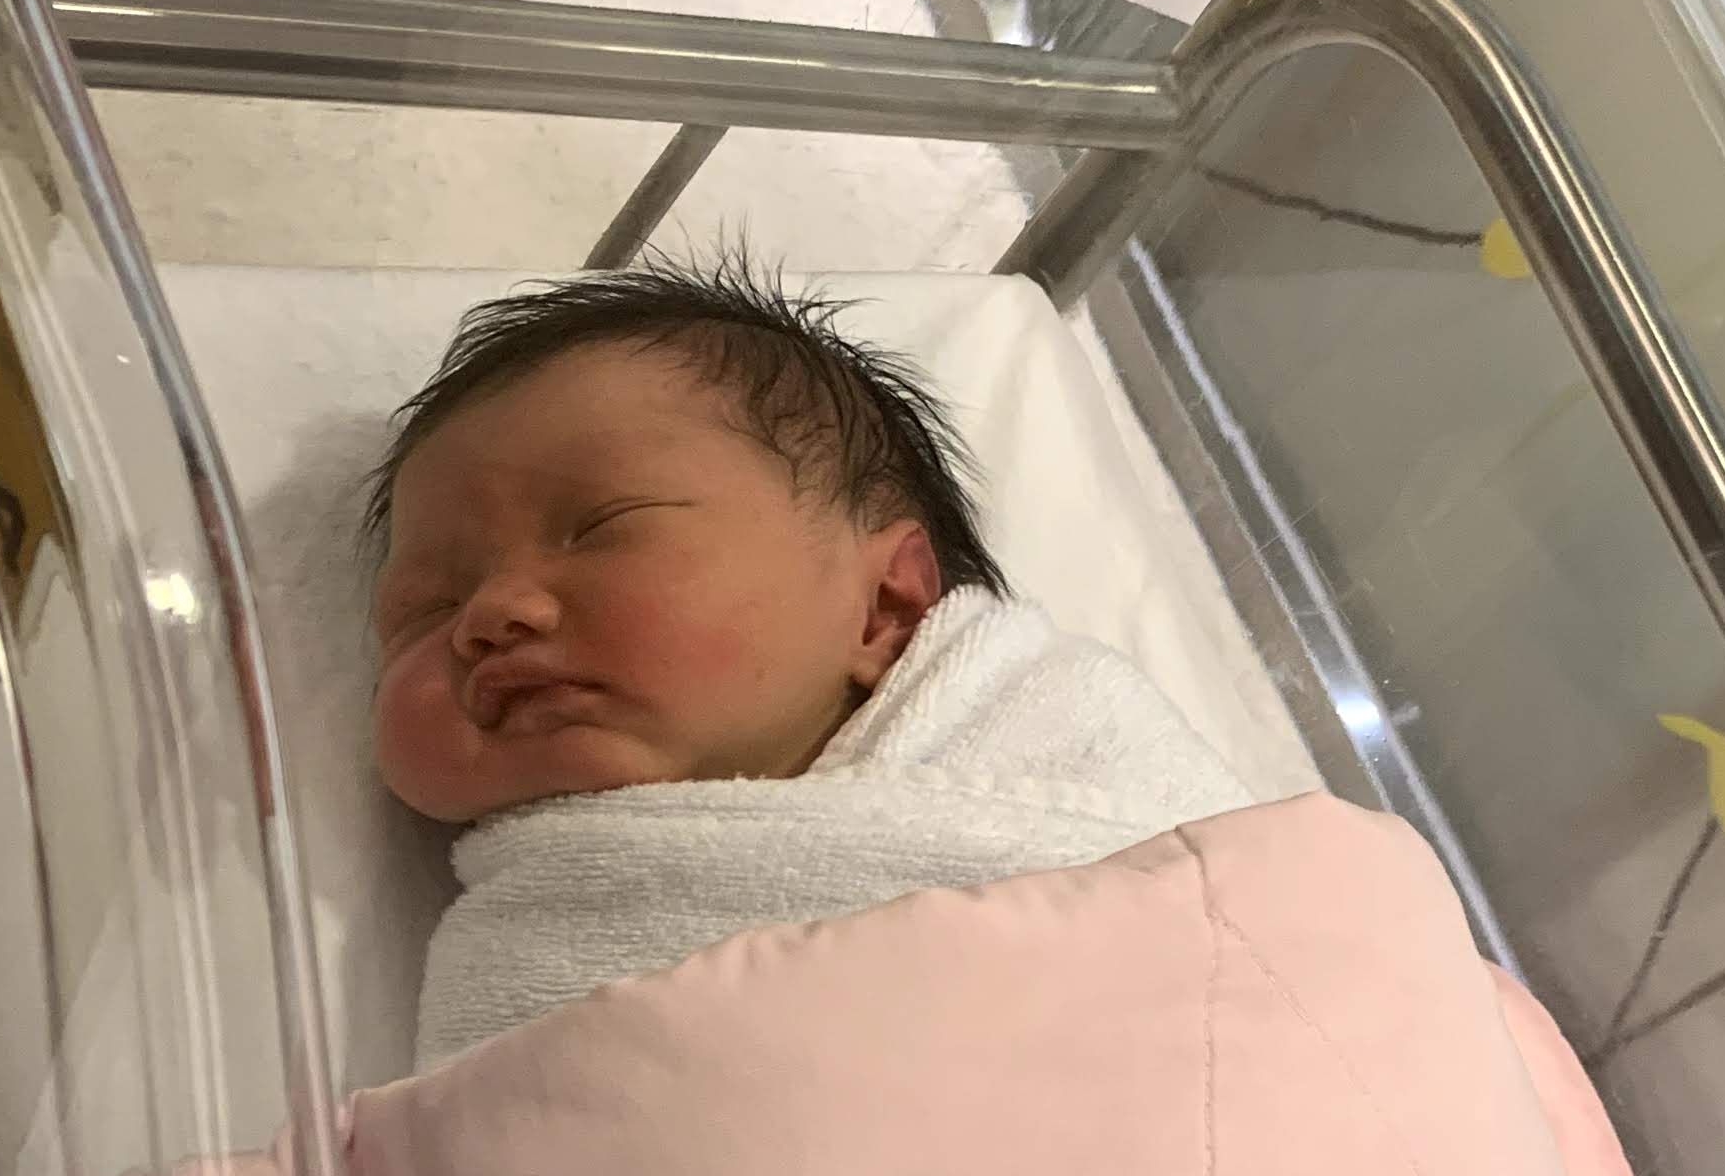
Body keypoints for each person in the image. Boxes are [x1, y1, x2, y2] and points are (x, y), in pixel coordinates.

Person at [364, 261, 1254, 1065]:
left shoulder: (1067, 743)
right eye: (425, 609)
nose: (489, 615)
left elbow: (1261, 948)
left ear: (885, 607)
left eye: (603, 529)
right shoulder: (530, 932)